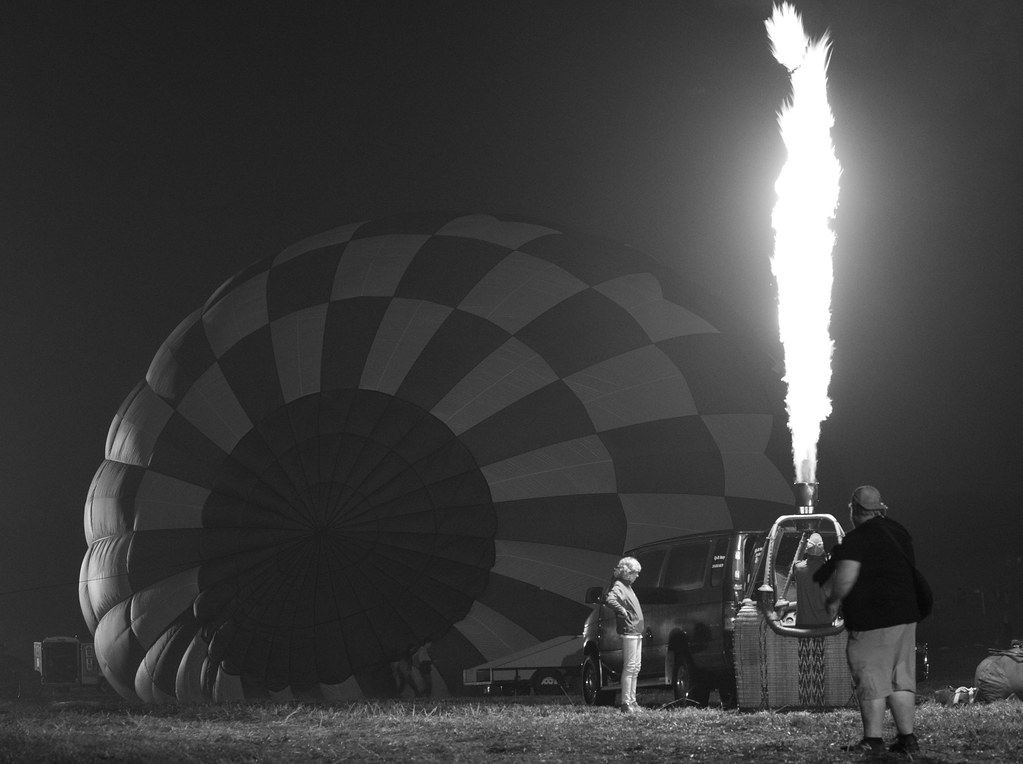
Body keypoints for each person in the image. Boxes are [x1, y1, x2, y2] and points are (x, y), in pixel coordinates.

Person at [818, 485, 922, 755]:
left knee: (870, 677)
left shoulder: (857, 539)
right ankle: (907, 738)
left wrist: (832, 600)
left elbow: (847, 576)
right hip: (906, 615)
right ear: (880, 508)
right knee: (901, 678)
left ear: (854, 509)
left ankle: (873, 740)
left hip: (873, 619)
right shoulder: (900, 532)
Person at [604, 556, 645, 713]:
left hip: (635, 630)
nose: (637, 575)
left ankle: (631, 701)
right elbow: (610, 599)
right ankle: (626, 703)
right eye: (635, 572)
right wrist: (621, 610)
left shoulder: (627, 586)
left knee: (635, 667)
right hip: (629, 630)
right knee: (630, 667)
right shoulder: (620, 586)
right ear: (627, 573)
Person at [793, 533, 831, 627]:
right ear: (822, 550)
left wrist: (803, 543)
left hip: (803, 622)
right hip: (825, 622)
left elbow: (796, 564)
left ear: (807, 549)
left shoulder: (798, 568)